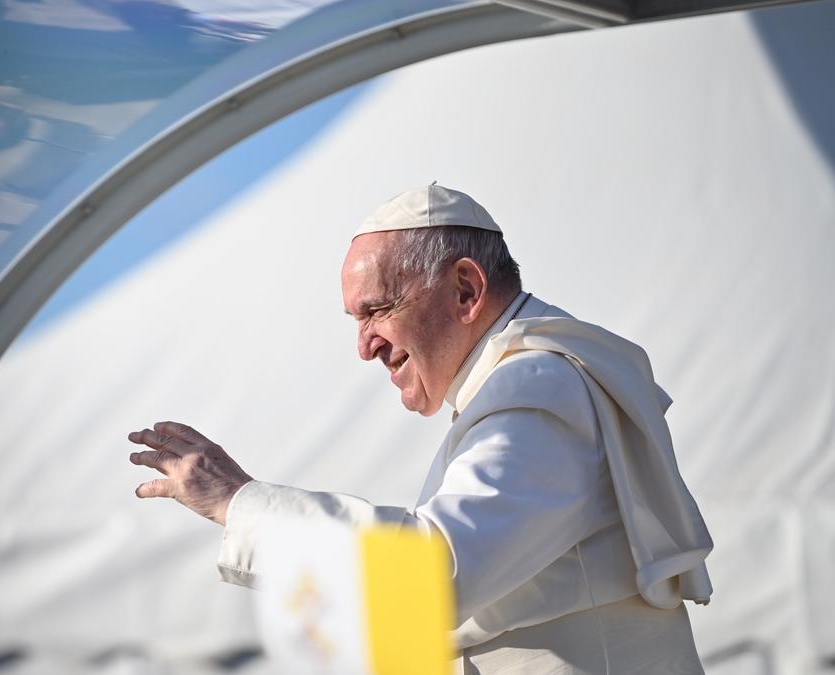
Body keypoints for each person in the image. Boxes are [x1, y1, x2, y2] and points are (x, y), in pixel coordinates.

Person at [127, 183, 714, 673]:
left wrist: (241, 504)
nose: (364, 347)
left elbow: (433, 574)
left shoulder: (534, 385)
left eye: (378, 310)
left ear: (465, 289)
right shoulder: (522, 381)